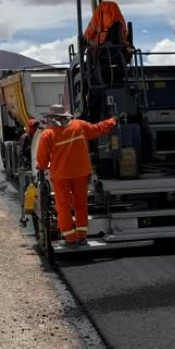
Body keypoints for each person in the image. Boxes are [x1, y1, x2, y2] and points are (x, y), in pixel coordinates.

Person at [34, 104, 117, 247]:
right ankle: (82, 237)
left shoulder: (48, 134)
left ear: (52, 118)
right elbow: (97, 129)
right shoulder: (79, 126)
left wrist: (41, 169)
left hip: (61, 175)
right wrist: (112, 120)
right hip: (81, 173)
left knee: (63, 207)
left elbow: (42, 158)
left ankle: (70, 239)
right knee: (81, 205)